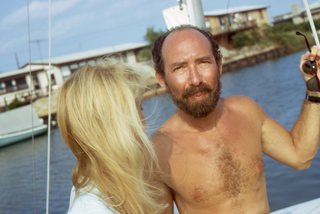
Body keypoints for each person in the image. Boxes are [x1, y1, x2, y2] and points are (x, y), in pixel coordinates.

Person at [151, 25, 320, 213]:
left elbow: (300, 156)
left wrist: (314, 88)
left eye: (203, 62)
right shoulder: (158, 151)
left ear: (219, 65)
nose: (195, 79)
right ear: (162, 79)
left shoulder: (246, 111)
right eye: (180, 68)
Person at [57, 59, 166, 214]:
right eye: (139, 109)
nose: (144, 122)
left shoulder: (117, 188)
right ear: (113, 125)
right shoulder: (91, 209)